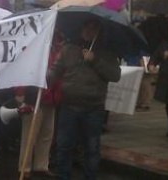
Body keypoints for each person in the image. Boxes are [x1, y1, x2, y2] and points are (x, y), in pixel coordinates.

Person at [51, 19, 120, 180]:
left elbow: (115, 75)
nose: (89, 31)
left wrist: (94, 60)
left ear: (98, 31)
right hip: (69, 107)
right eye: (86, 27)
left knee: (91, 148)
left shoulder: (107, 52)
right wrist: (43, 79)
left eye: (93, 28)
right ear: (81, 29)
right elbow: (56, 70)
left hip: (93, 108)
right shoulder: (68, 49)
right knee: (64, 146)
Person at [14, 31, 64, 178]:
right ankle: (25, 167)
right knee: (30, 134)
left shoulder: (57, 46)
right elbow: (23, 68)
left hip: (51, 96)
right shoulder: (35, 44)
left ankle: (41, 165)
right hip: (34, 95)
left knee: (46, 133)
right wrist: (20, 93)